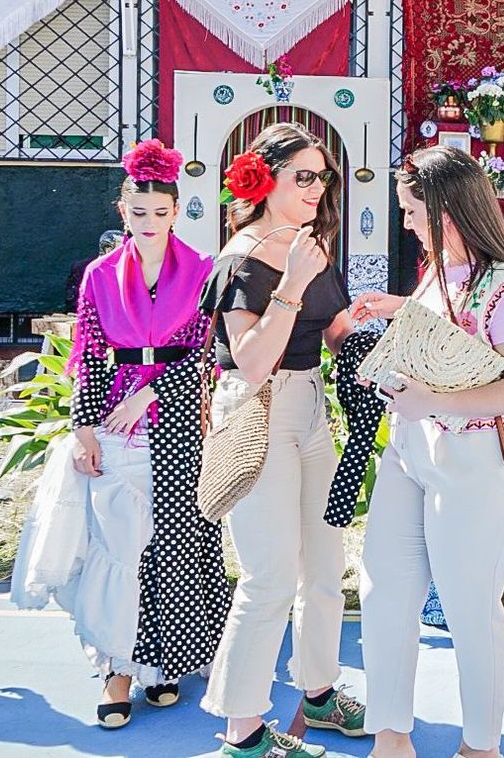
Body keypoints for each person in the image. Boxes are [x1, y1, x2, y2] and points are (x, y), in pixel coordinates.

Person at [12, 140, 228, 728]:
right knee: (119, 544)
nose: (150, 223)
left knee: (178, 544)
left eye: (162, 214)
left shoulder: (205, 270)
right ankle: (117, 670)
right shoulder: (99, 274)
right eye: (139, 213)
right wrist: (83, 426)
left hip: (180, 413)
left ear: (178, 212)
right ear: (122, 211)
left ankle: (165, 666)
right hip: (113, 420)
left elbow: (211, 351)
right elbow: (86, 349)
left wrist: (151, 390)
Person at [349, 145, 504, 758]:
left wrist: (432, 397)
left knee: (468, 607)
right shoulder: (437, 272)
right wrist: (402, 310)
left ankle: (481, 746)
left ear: (446, 213)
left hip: (480, 466)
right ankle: (390, 735)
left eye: (412, 211)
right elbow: (449, 333)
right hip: (413, 453)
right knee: (384, 593)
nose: (405, 223)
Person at [200, 122, 365, 758]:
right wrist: (292, 283)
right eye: (304, 176)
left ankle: (318, 692)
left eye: (323, 177)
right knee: (269, 577)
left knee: (324, 567)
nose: (317, 188)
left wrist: (391, 327)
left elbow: (335, 331)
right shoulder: (242, 258)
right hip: (258, 413)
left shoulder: (311, 245)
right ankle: (241, 731)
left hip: (312, 413)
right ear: (265, 180)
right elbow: (249, 361)